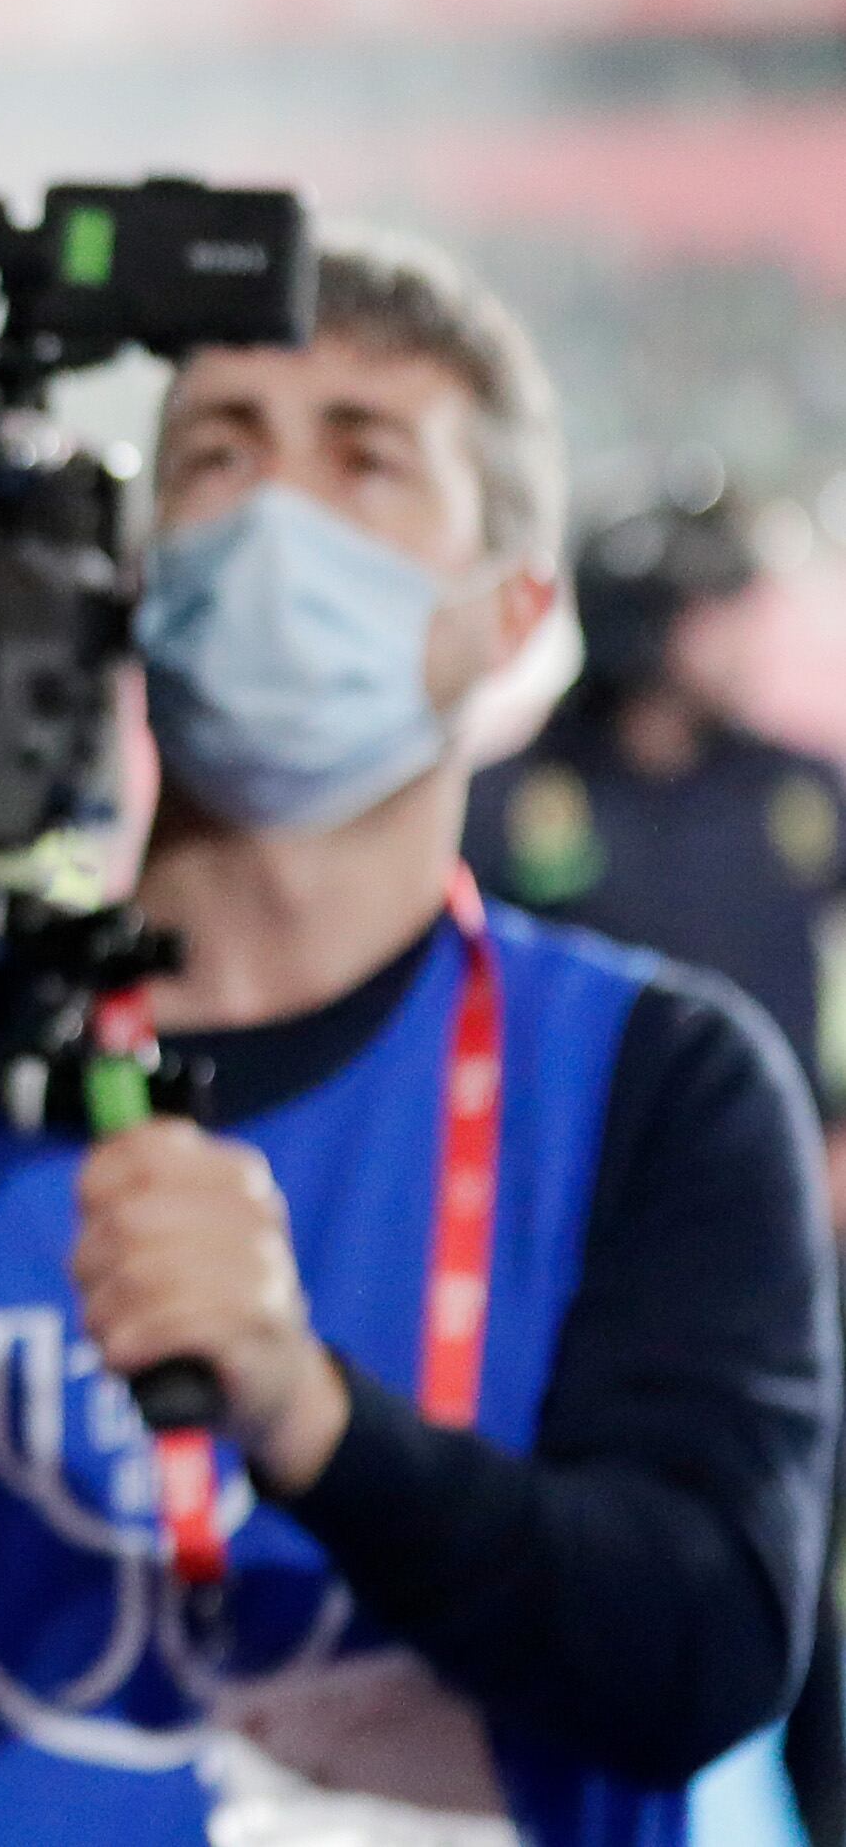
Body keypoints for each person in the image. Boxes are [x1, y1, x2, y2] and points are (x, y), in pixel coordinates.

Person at [0, 232, 838, 1844]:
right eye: (215, 454)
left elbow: (703, 1656)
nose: (268, 515)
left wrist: (308, 1418)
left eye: (361, 457)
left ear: (507, 613)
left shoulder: (650, 1085)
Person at [471, 489, 846, 1845]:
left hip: (799, 1246)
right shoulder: (510, 799)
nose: (743, 633)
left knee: (806, 1575)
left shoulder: (796, 792)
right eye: (714, 605)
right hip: (573, 1259)